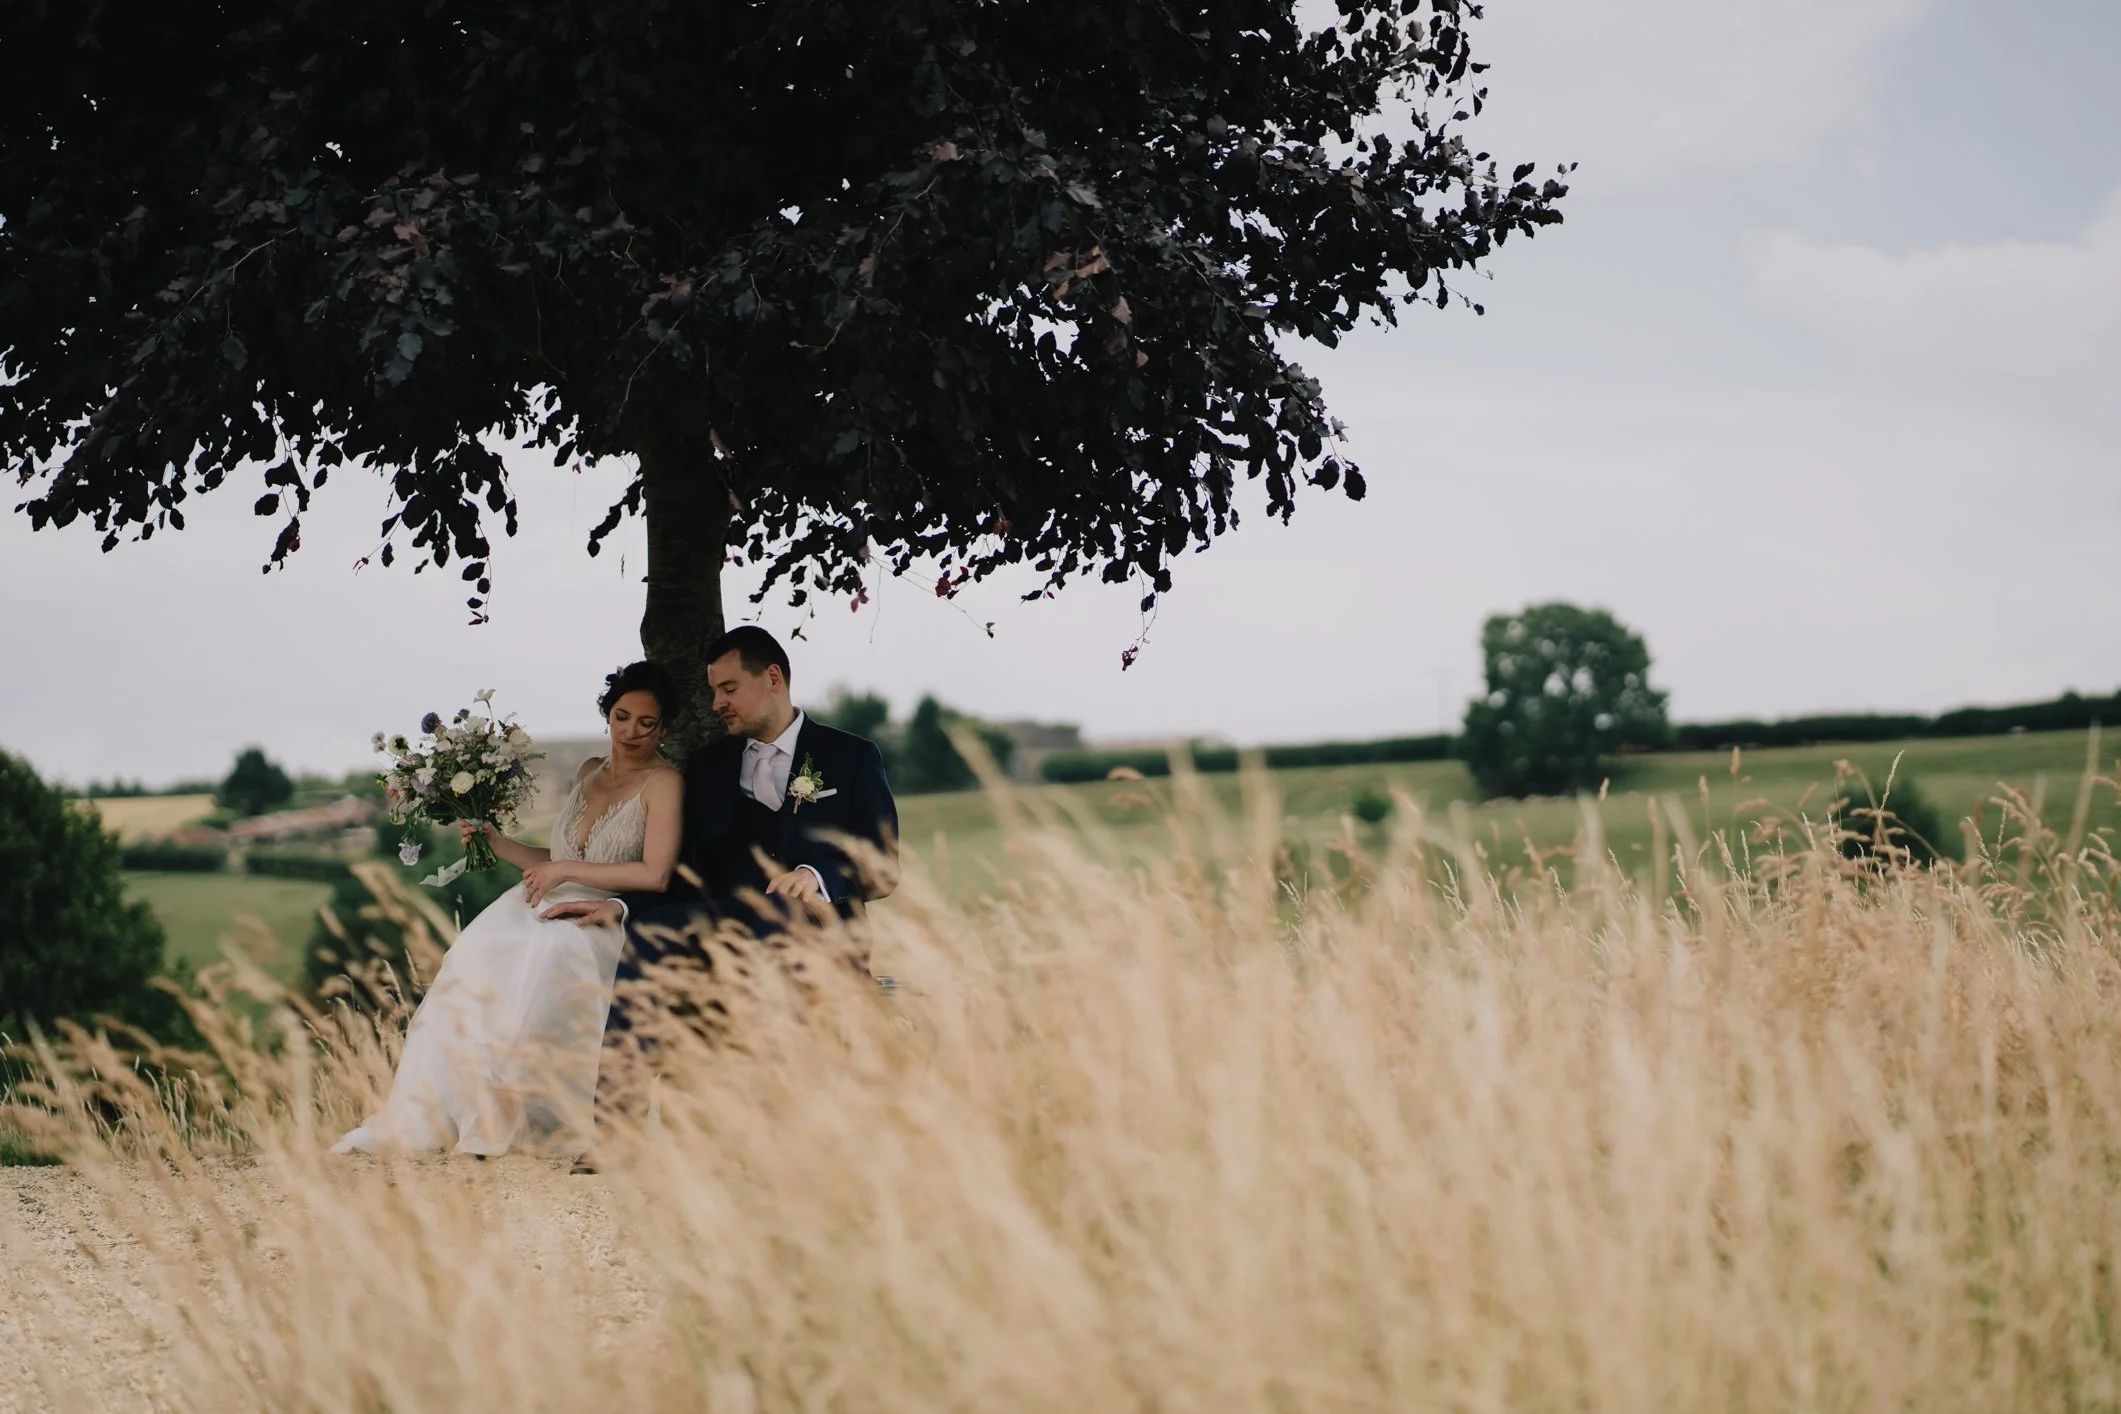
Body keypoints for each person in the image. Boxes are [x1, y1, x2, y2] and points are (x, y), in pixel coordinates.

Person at [332, 663, 684, 1158]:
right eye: (622, 717)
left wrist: (563, 872)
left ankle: (512, 1119)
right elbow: (555, 857)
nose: (631, 732)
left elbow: (656, 874)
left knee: (547, 953)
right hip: (542, 900)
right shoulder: (588, 771)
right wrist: (497, 843)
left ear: (664, 727)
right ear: (608, 716)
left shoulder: (664, 783)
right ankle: (473, 1108)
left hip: (600, 913)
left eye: (647, 723)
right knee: (479, 955)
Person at [541, 624, 899, 1004]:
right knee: (649, 930)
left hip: (819, 935)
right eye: (714, 692)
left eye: (728, 689)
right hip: (719, 929)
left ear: (772, 678)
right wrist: (621, 905)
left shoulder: (851, 756)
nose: (717, 704)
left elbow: (883, 866)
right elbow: (684, 868)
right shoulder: (708, 767)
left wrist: (816, 876)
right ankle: (622, 1066)